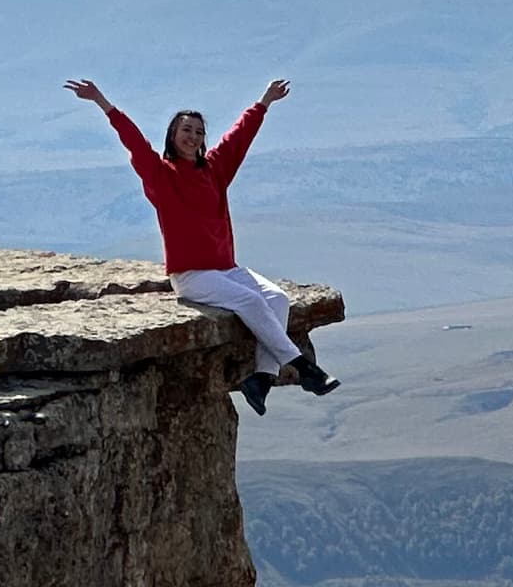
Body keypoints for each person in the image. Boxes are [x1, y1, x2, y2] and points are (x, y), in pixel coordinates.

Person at [67, 72, 337, 414]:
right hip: (192, 276)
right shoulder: (161, 175)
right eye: (186, 130)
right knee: (251, 301)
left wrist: (265, 102)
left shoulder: (214, 170)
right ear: (172, 135)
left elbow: (239, 137)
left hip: (226, 269)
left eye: (198, 131)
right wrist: (102, 102)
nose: (192, 136)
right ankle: (304, 368)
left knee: (277, 299)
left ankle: (262, 378)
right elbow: (134, 141)